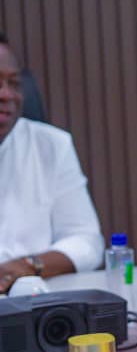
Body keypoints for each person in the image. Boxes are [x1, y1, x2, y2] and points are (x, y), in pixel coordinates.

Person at [0, 32, 104, 293]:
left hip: (33, 300)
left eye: (14, 83)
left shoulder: (51, 145)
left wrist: (27, 265)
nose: (7, 94)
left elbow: (86, 240)